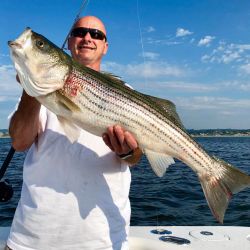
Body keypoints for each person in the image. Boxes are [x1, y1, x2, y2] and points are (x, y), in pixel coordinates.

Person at [7, 16, 142, 250]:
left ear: (105, 46)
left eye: (97, 34)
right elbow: (19, 142)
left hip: (103, 240)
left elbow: (135, 158)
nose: (88, 37)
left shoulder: (126, 93)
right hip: (32, 240)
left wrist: (126, 152)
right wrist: (32, 88)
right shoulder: (36, 93)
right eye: (80, 32)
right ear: (69, 41)